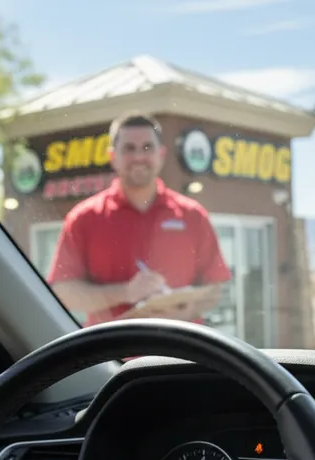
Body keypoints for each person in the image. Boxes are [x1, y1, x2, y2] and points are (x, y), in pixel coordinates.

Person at [46, 112, 231, 326]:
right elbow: (63, 292)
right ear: (112, 156)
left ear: (161, 154)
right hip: (110, 354)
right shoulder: (83, 218)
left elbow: (215, 289)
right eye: (128, 148)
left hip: (180, 352)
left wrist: (182, 312)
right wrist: (126, 292)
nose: (138, 157)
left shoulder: (193, 215)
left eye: (147, 147)